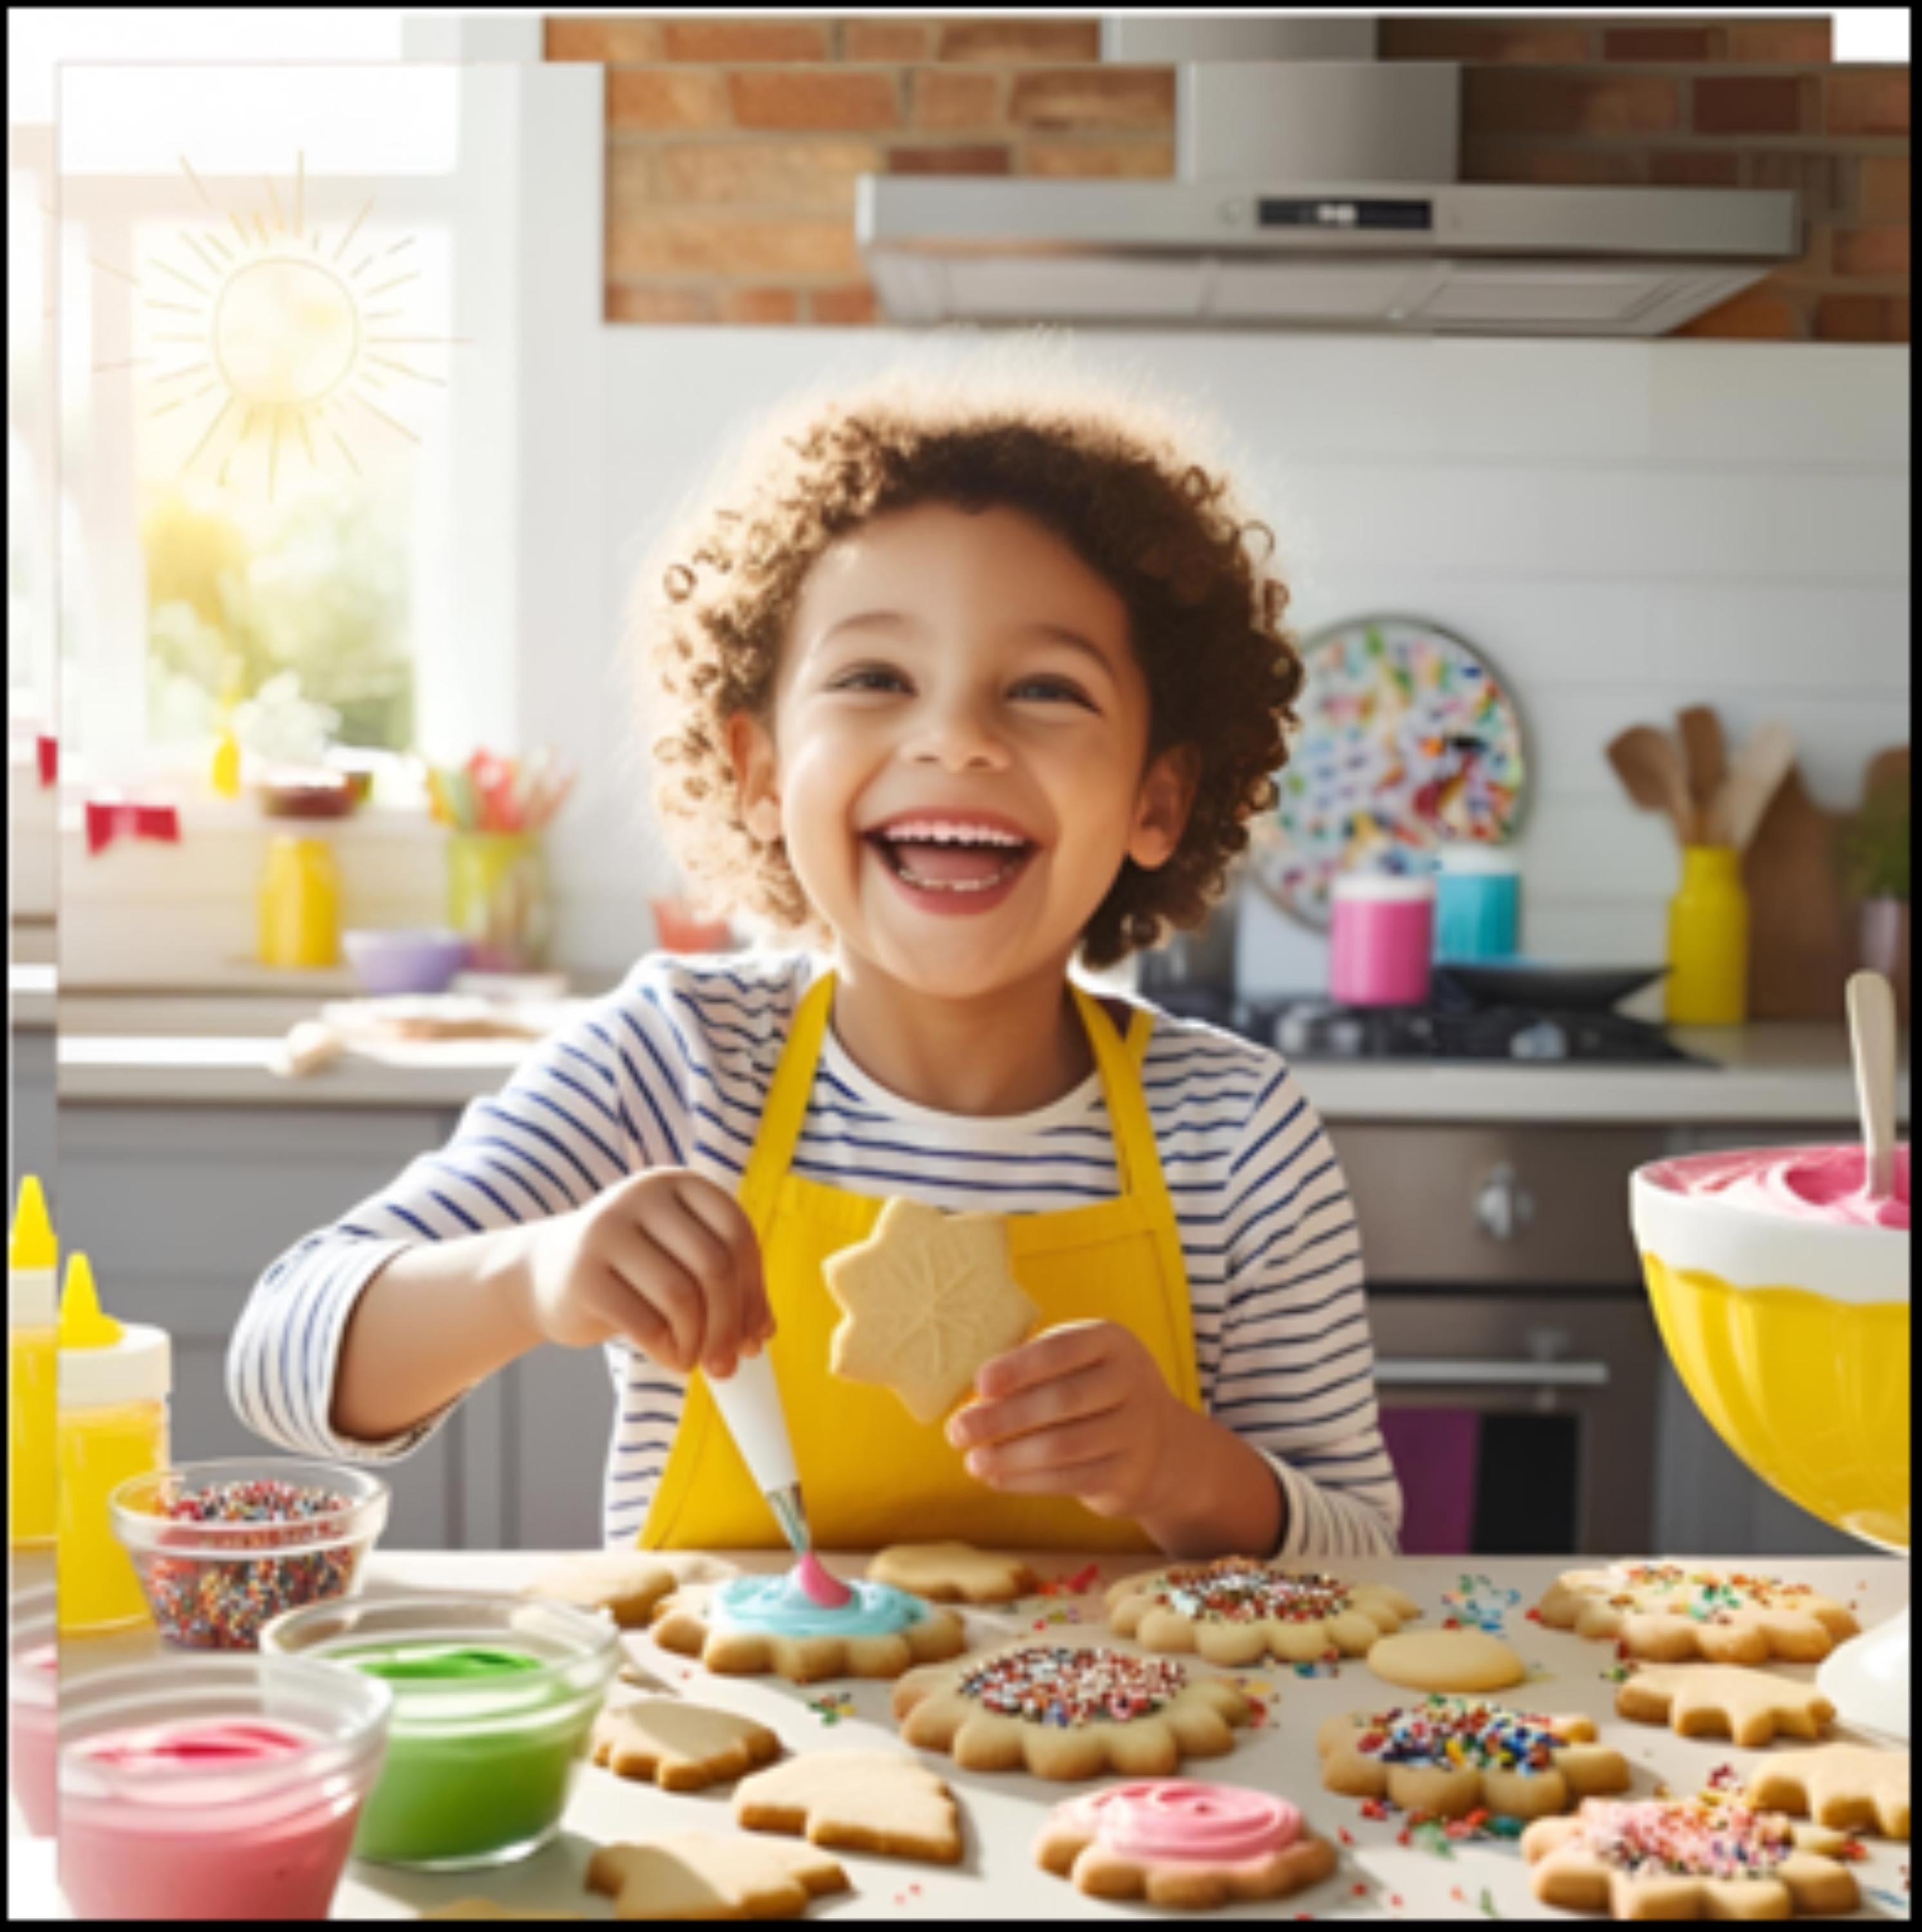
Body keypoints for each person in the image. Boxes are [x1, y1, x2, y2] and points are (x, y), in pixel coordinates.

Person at [229, 339, 1402, 1561]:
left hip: (1124, 1755)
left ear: (1158, 801)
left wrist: (1183, 1470)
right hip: (731, 1746)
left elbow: (1368, 1555)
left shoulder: (1238, 1137)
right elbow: (279, 1359)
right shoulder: (674, 1065)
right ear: (758, 770)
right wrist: (537, 1276)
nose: (956, 738)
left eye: (1047, 690)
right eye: (876, 676)